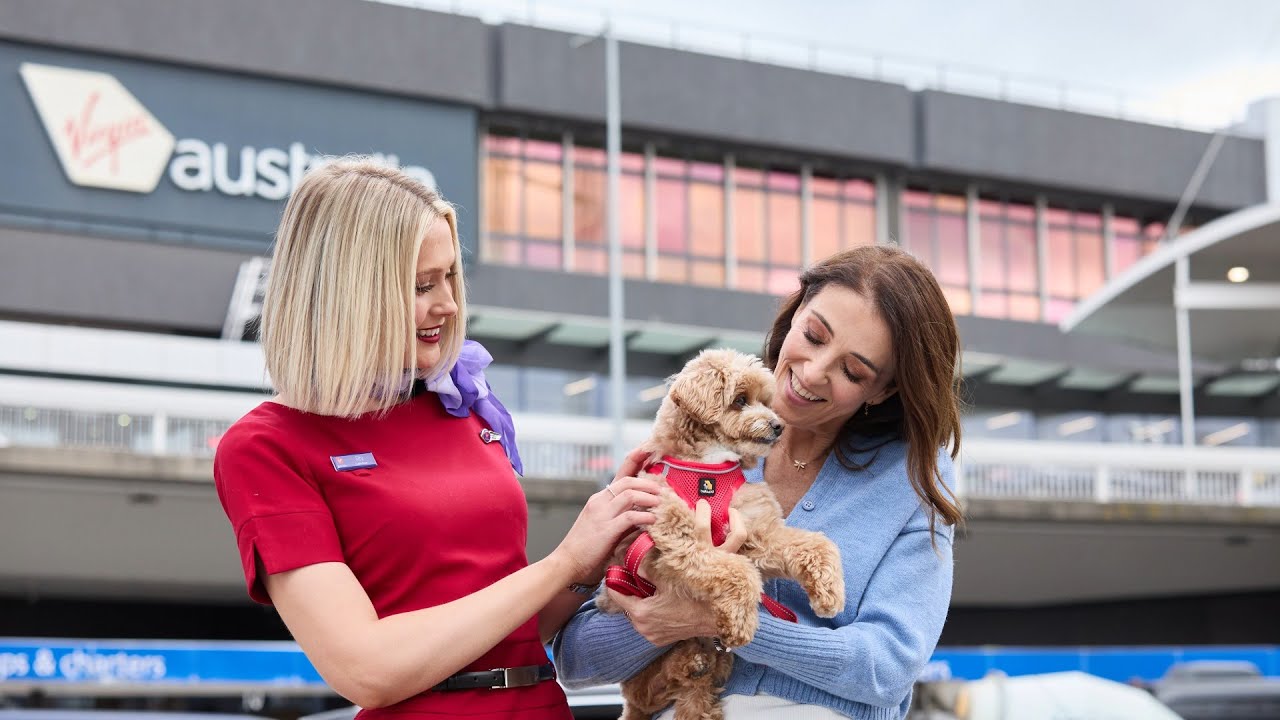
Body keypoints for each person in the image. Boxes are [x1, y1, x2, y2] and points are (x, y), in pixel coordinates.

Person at [213, 158, 662, 720]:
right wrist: (562, 562)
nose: (449, 304)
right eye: (422, 285)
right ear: (348, 293)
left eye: (450, 276)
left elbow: (516, 630)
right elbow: (366, 670)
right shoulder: (266, 446)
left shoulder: (462, 407)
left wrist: (596, 555)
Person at [554, 245, 964, 720]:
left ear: (885, 389)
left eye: (853, 370)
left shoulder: (913, 476)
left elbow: (887, 667)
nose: (812, 372)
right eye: (813, 335)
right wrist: (663, 612)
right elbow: (575, 659)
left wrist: (723, 620)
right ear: (794, 314)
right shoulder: (692, 443)